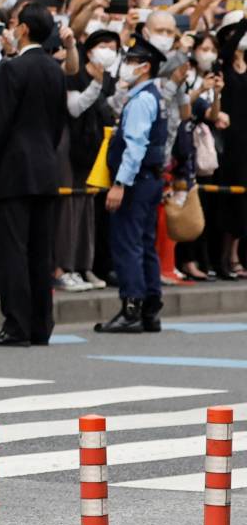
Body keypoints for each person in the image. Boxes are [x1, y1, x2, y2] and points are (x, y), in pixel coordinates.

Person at [0, 5, 67, 346]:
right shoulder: (56, 69)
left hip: (14, 171)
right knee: (42, 252)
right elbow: (58, 124)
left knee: (13, 250)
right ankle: (41, 325)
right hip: (46, 168)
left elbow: (0, 121)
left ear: (23, 29)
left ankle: (16, 325)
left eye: (14, 24)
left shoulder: (13, 68)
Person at [96, 38, 169, 334]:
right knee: (145, 244)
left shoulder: (142, 100)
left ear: (144, 67)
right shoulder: (152, 95)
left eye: (130, 61)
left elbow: (134, 146)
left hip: (136, 181)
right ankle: (151, 307)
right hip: (150, 180)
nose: (125, 66)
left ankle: (132, 308)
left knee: (127, 243)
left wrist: (120, 183)